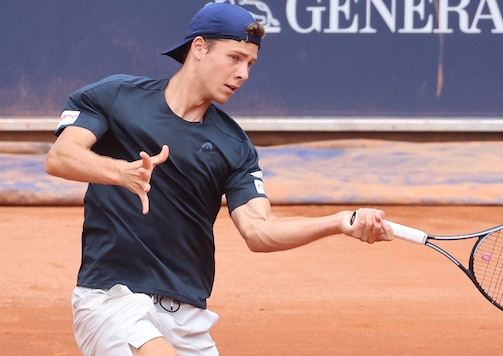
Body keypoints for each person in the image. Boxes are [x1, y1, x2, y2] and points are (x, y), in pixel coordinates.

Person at [44, 3, 393, 356]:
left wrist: (338, 222)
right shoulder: (116, 96)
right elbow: (60, 156)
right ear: (199, 48)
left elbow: (260, 231)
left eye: (250, 64)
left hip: (186, 314)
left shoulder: (234, 146)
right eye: (235, 58)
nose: (244, 74)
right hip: (112, 298)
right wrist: (122, 172)